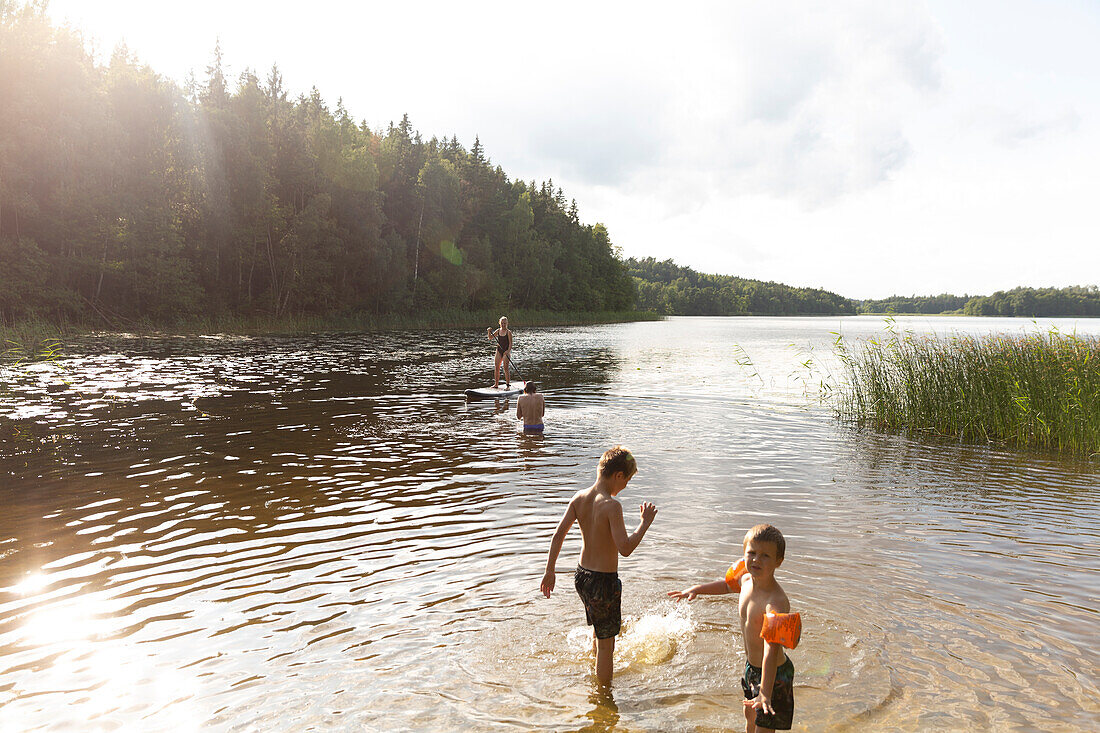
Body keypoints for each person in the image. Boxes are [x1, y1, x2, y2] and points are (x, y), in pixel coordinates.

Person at [540, 446, 658, 688]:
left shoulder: (579, 498)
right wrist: (644, 524)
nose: (625, 486)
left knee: (598, 630)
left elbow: (557, 535)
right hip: (603, 582)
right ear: (618, 476)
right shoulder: (611, 506)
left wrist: (550, 570)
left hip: (582, 577)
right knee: (608, 645)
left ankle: (595, 672)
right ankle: (603, 697)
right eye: (627, 481)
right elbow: (625, 548)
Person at [667, 524, 796, 732]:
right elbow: (726, 586)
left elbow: (771, 650)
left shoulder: (775, 602)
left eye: (765, 556)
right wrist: (697, 590)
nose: (756, 560)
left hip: (774, 674)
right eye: (751, 553)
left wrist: (765, 691)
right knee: (749, 715)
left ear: (778, 562)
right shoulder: (745, 579)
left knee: (764, 726)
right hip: (752, 668)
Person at [486, 316, 513, 389]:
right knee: (496, 367)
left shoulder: (508, 332)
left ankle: (507, 385)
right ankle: (496, 384)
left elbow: (510, 344)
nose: (503, 325)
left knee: (505, 368)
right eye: (502, 323)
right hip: (499, 350)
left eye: (504, 323)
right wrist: (489, 331)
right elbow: (490, 337)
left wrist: (507, 351)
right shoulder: (498, 330)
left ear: (507, 323)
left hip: (506, 351)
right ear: (499, 323)